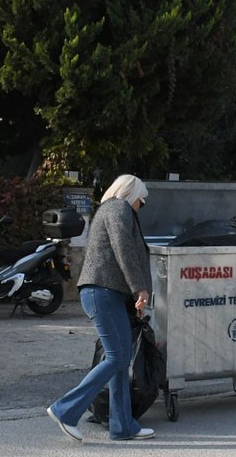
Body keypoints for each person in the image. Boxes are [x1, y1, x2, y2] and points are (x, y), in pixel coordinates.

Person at [46, 174, 155, 442]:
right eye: (142, 201)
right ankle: (66, 410)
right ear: (132, 194)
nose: (141, 207)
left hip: (107, 294)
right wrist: (139, 287)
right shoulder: (119, 208)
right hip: (102, 293)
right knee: (118, 357)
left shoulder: (109, 209)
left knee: (120, 357)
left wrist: (135, 297)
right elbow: (124, 250)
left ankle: (122, 426)